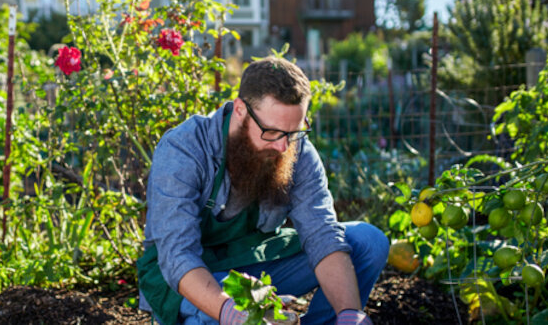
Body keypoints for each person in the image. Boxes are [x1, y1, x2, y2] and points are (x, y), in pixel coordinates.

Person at [137, 56, 389, 325]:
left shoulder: (296, 150)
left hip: (255, 262)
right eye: (272, 132)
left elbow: (322, 234)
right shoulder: (184, 149)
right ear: (240, 111)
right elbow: (178, 255)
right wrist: (229, 312)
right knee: (238, 310)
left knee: (367, 242)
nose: (283, 147)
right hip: (192, 276)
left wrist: (350, 312)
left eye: (294, 132)